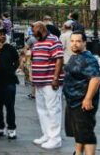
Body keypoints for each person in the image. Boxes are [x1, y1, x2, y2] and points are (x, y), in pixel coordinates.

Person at [63, 31, 100, 155]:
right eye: (72, 41)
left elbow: (95, 78)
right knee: (78, 132)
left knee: (86, 133)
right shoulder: (75, 56)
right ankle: (78, 152)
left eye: (78, 41)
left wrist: (88, 98)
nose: (74, 44)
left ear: (84, 43)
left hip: (82, 102)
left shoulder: (88, 59)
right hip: (73, 102)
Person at [31, 21, 64, 150]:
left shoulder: (54, 40)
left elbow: (59, 59)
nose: (33, 34)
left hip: (50, 81)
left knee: (53, 109)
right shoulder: (37, 42)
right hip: (39, 81)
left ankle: (55, 138)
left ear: (40, 29)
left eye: (34, 31)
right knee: (42, 109)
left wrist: (55, 78)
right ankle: (47, 134)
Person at [0, 27, 20, 140]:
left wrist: (12, 69)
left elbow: (17, 60)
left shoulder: (10, 48)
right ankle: (0, 128)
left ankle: (11, 129)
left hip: (9, 81)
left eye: (4, 34)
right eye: (0, 34)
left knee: (10, 107)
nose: (2, 36)